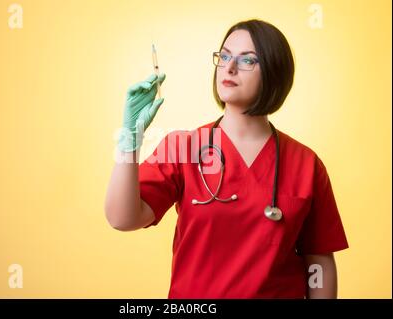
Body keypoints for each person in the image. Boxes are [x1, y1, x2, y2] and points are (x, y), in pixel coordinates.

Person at [104, 19, 349, 299]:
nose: (229, 68)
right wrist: (129, 140)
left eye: (247, 61)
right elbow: (122, 218)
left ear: (274, 72)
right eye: (225, 56)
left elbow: (318, 260)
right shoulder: (183, 147)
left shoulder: (306, 164)